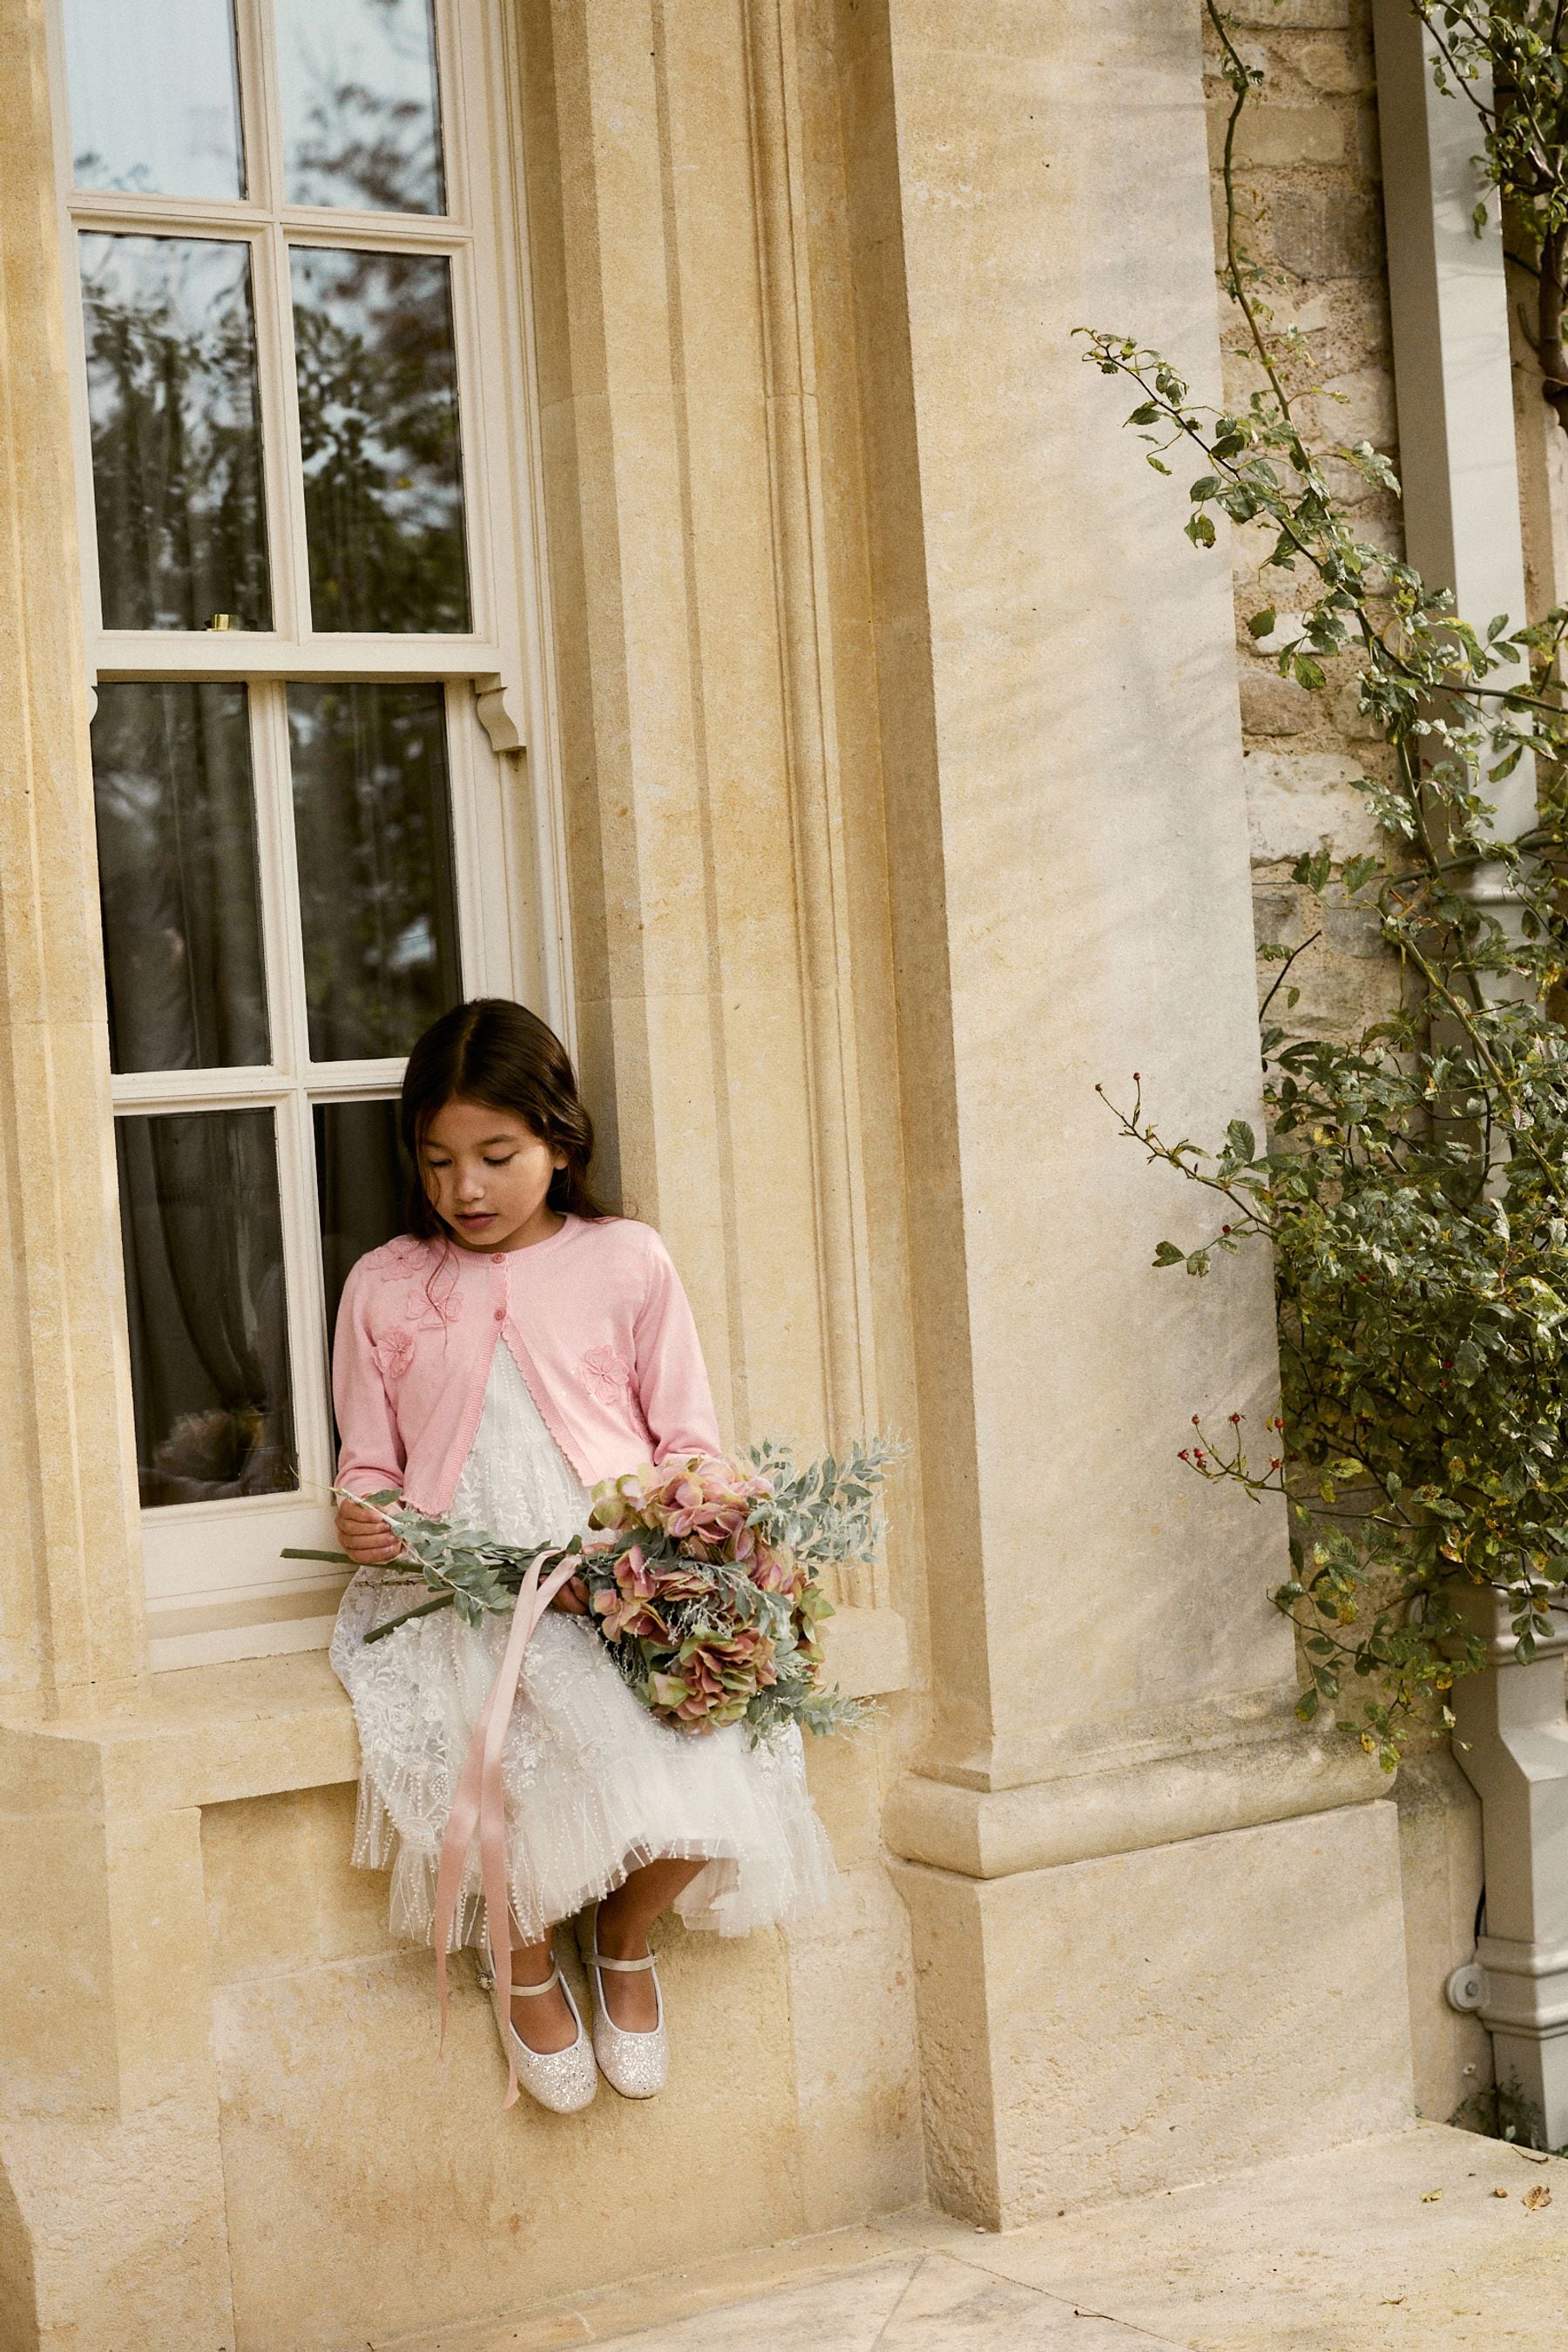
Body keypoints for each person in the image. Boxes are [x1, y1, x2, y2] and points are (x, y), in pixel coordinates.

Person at [328, 998, 835, 2112]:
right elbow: (369, 1460)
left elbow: (690, 1441)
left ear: (559, 1140)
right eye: (439, 1161)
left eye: (497, 1156)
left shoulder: (626, 1261)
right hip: (457, 1584)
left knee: (713, 1766)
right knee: (491, 1769)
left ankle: (623, 1931)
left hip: (618, 1581)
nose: (466, 1189)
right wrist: (362, 1511)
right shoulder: (383, 1282)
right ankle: (513, 1956)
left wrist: (688, 1545)